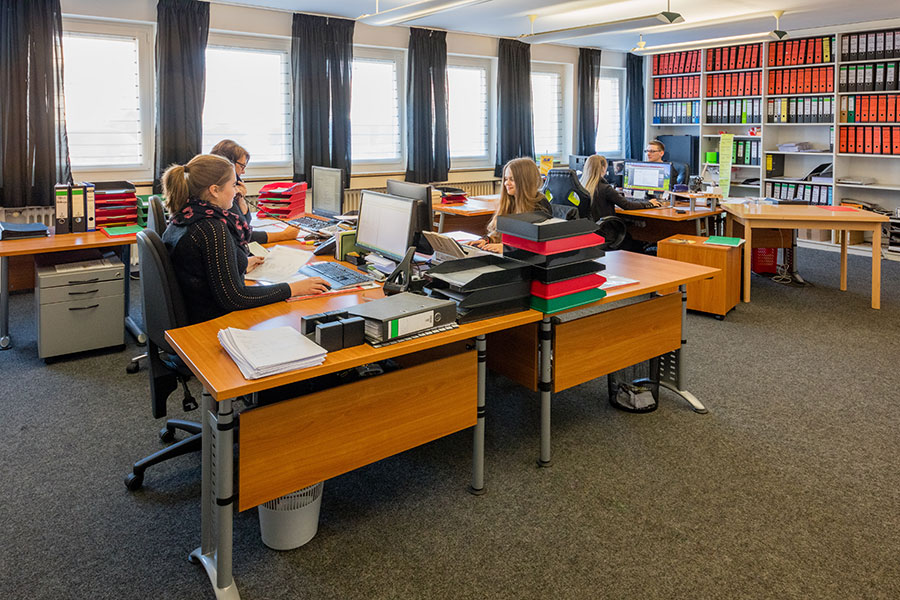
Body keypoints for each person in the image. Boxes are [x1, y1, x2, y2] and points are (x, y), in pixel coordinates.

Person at [161, 154, 329, 324]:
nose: (236, 191)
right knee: (297, 319)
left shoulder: (187, 214)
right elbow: (235, 297)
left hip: (198, 310)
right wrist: (293, 288)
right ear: (214, 190)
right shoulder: (210, 227)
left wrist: (237, 264)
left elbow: (200, 268)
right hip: (211, 323)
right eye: (233, 185)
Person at [210, 139, 300, 245]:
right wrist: (284, 235)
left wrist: (240, 198)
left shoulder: (226, 191)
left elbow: (244, 224)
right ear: (228, 164)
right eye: (242, 166)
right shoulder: (219, 195)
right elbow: (243, 234)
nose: (243, 172)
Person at [471, 157, 552, 254]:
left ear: (525, 181)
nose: (506, 183)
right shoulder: (511, 200)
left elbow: (536, 245)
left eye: (512, 179)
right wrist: (487, 240)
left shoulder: (539, 205)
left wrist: (506, 248)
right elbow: (500, 234)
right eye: (506, 179)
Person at [590, 155, 662, 222]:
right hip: (605, 229)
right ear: (603, 168)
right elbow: (627, 205)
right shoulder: (606, 188)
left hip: (590, 229)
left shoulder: (583, 186)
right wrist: (650, 204)